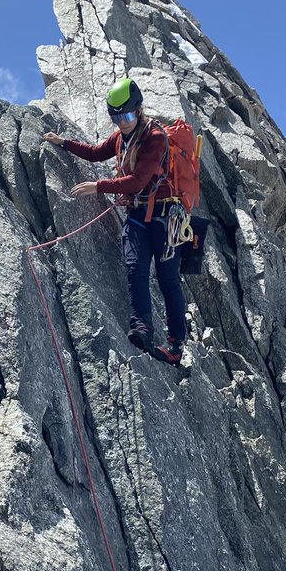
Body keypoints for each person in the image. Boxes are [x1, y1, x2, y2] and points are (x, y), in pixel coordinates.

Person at [43, 78, 187, 365]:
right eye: (116, 117)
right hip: (137, 214)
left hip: (164, 216)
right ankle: (142, 328)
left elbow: (137, 181)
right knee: (135, 269)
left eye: (127, 115)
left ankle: (176, 344)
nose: (122, 122)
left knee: (168, 279)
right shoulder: (122, 138)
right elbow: (97, 153)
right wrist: (64, 144)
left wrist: (97, 186)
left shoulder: (155, 137)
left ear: (139, 109)